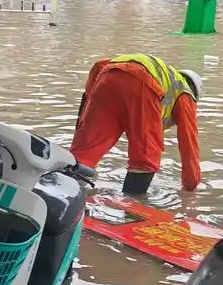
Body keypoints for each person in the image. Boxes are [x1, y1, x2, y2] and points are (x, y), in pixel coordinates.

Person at [70, 54, 203, 194]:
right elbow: (189, 144)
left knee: (86, 150)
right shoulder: (185, 93)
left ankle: (65, 190)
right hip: (141, 84)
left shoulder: (166, 77)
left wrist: (85, 123)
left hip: (107, 76)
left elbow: (98, 67)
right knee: (146, 157)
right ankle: (133, 204)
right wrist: (190, 187)